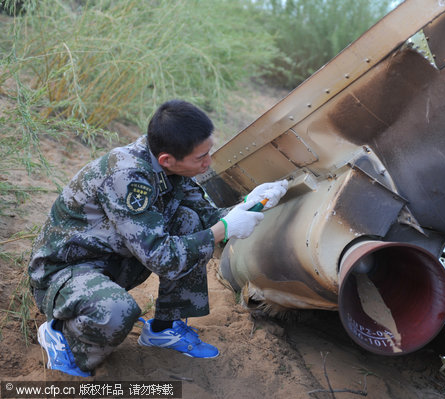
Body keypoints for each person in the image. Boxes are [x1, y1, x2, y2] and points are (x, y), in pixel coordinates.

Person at [28, 99, 288, 377]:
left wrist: (253, 202)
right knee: (117, 312)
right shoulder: (127, 176)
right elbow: (163, 258)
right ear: (167, 159)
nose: (208, 163)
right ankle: (61, 335)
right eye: (201, 157)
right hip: (63, 274)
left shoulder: (170, 164)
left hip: (113, 261)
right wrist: (225, 228)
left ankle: (165, 328)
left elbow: (208, 217)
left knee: (189, 220)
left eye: (208, 152)